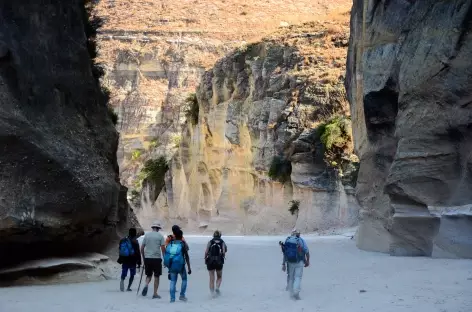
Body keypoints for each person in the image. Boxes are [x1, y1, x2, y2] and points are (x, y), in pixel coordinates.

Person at [140, 221, 165, 299]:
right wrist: (165, 259)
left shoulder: (147, 236)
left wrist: (144, 258)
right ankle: (155, 293)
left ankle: (146, 284)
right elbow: (163, 249)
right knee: (157, 276)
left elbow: (142, 248)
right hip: (157, 259)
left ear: (152, 228)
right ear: (158, 228)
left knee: (148, 275)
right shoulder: (160, 236)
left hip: (147, 258)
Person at [282, 229, 310, 300]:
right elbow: (307, 251)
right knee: (297, 277)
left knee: (291, 277)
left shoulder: (287, 240)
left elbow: (285, 253)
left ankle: (291, 293)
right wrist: (307, 261)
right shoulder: (301, 240)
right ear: (298, 234)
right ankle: (296, 293)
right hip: (299, 261)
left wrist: (283, 264)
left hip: (290, 262)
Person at [165, 229, 192, 302]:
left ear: (175, 235)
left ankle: (172, 299)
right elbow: (186, 256)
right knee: (184, 279)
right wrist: (189, 267)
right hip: (180, 265)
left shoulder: (170, 243)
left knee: (173, 281)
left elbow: (167, 253)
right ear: (181, 236)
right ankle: (182, 295)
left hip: (171, 264)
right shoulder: (183, 243)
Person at [204, 230, 227, 297]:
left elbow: (206, 252)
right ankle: (217, 287)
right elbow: (224, 251)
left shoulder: (210, 242)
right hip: (219, 261)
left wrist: (205, 259)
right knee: (219, 276)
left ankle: (212, 294)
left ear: (213, 235)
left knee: (211, 278)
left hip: (210, 261)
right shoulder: (222, 242)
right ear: (220, 235)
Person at [117, 228, 141, 292]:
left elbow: (120, 249)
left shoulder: (123, 240)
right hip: (133, 260)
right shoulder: (135, 241)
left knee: (124, 270)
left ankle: (122, 280)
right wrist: (139, 262)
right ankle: (128, 287)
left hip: (125, 259)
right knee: (132, 274)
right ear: (135, 233)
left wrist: (120, 258)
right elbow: (138, 252)